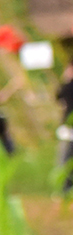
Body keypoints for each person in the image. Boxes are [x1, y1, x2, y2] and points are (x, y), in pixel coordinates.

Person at [55, 62, 73, 194]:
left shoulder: (68, 86)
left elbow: (59, 95)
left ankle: (65, 190)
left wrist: (67, 78)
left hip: (69, 129)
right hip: (68, 129)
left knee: (65, 161)